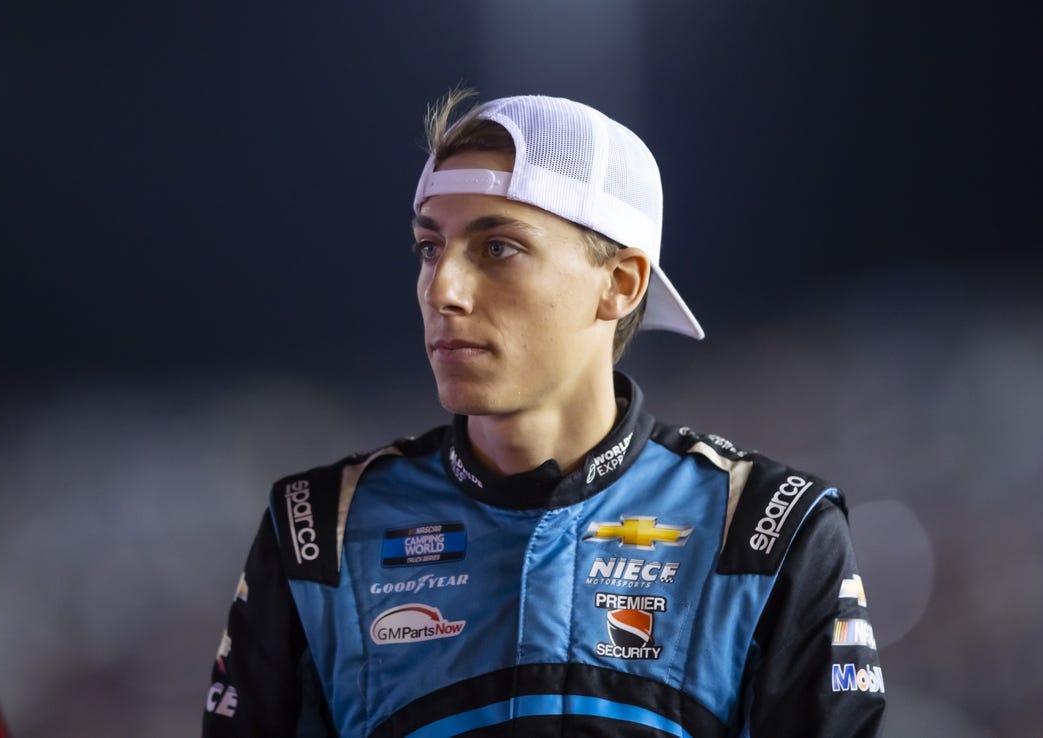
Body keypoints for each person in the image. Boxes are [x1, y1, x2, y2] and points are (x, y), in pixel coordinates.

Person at [202, 91, 886, 737]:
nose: (443, 288)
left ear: (619, 284)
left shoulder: (772, 531)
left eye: (497, 248)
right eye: (428, 247)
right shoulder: (315, 532)